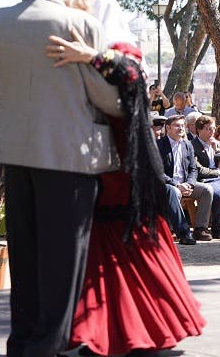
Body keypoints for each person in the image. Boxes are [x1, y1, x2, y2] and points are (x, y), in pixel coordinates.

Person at [0, 0, 123, 357]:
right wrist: (102, 61)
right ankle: (50, 346)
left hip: (16, 155)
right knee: (64, 258)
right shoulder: (81, 24)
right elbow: (111, 101)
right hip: (71, 158)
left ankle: (23, 341)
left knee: (25, 256)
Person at [44, 35, 205, 354]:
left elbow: (130, 74)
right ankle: (121, 329)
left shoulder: (122, 65)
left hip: (123, 178)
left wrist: (92, 56)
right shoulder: (102, 82)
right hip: (114, 175)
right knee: (115, 255)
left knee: (120, 250)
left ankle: (125, 330)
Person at [157, 115, 215, 241]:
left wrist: (190, 184)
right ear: (168, 128)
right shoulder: (159, 145)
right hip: (168, 185)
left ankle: (200, 229)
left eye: (183, 125)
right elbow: (158, 172)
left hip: (186, 184)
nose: (181, 128)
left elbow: (193, 169)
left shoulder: (187, 145)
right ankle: (178, 231)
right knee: (175, 192)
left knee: (207, 190)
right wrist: (177, 185)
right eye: (177, 125)